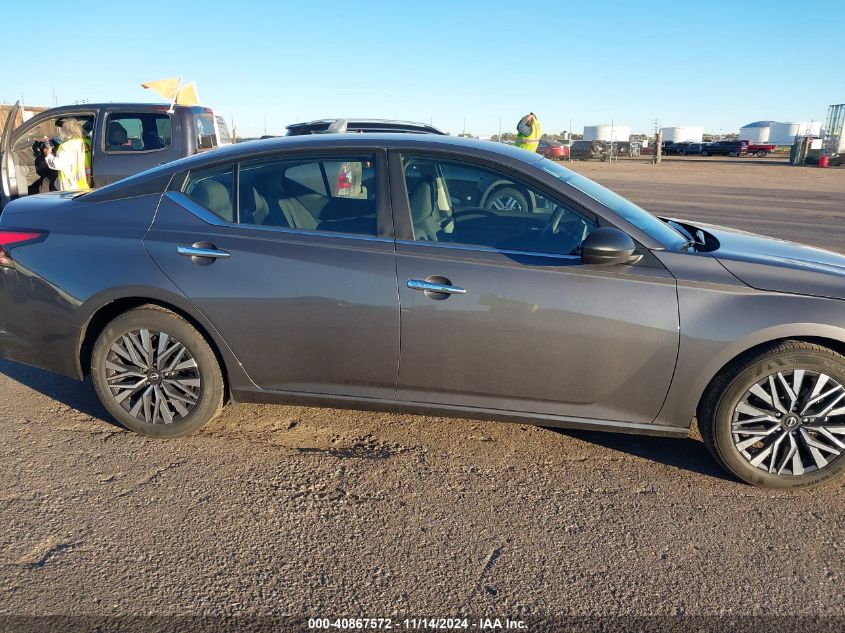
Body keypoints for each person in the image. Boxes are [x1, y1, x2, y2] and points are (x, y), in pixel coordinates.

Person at [42, 119, 92, 191]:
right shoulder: (88, 142)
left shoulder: (66, 146)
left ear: (65, 132)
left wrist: (48, 155)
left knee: (47, 182)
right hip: (87, 183)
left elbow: (57, 164)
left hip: (72, 187)